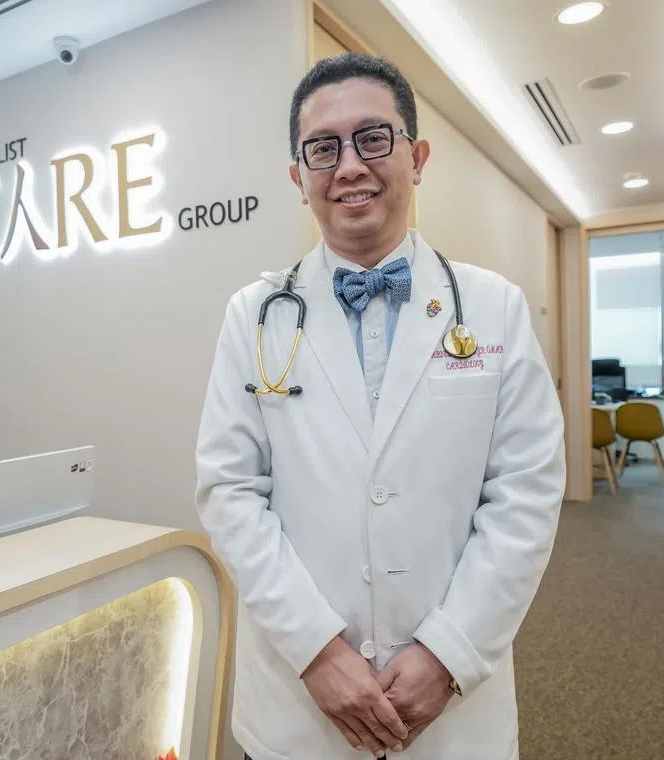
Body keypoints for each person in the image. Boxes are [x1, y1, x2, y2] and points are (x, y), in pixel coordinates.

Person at [194, 52, 566, 760]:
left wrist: (449, 652)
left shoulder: (493, 307)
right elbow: (230, 491)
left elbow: (525, 493)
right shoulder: (253, 316)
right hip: (299, 706)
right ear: (299, 177)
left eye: (372, 138)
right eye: (323, 148)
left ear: (416, 159)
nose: (349, 166)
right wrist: (315, 650)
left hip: (452, 707)